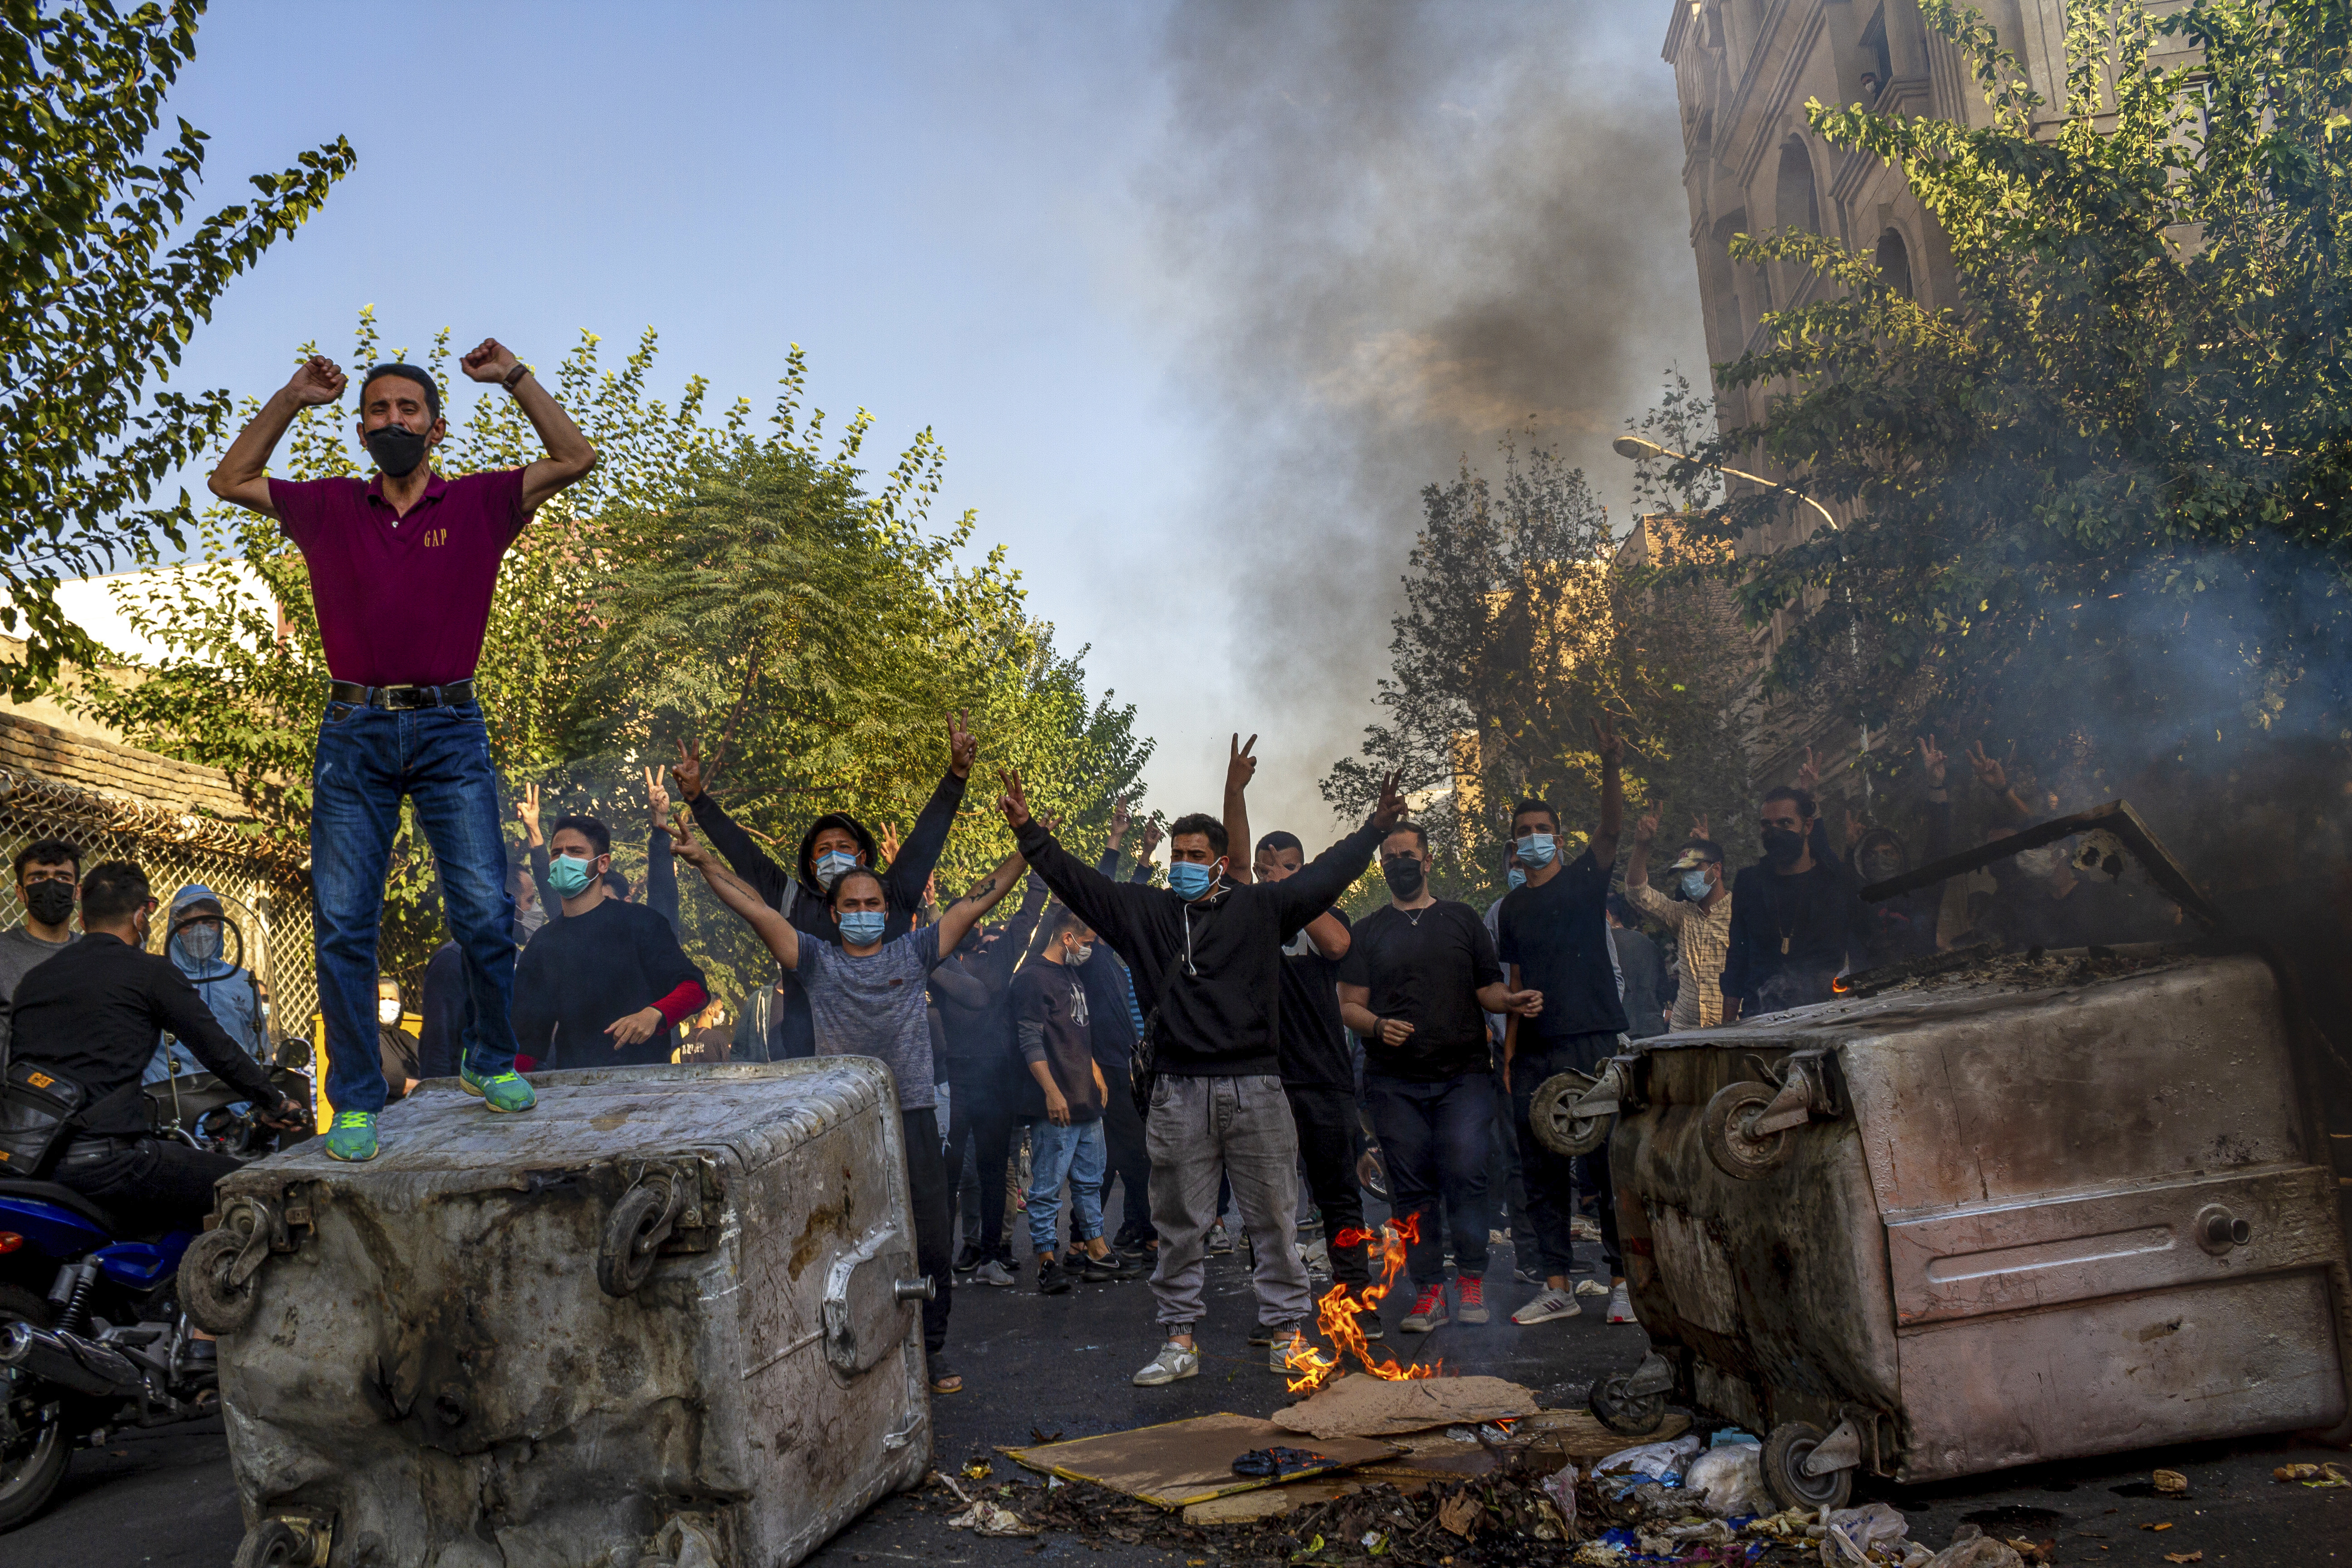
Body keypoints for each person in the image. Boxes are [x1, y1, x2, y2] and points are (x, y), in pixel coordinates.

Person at [207, 343, 598, 1160]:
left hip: (451, 728)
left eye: (407, 410)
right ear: (360, 429)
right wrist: (291, 397)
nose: (393, 420)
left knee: (484, 911)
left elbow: (575, 457)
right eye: (378, 411)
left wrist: (515, 378)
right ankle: (355, 1100)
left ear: (435, 427)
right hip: (354, 731)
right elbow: (231, 478)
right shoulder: (329, 506)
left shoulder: (481, 502)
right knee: (345, 923)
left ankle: (487, 1058)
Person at [998, 758, 1409, 1387]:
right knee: (1180, 1224)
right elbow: (1079, 882)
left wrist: (1375, 829)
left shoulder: (1261, 908)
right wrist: (1029, 833)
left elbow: (1326, 876)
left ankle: (1287, 1335)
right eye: (1178, 855)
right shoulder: (1146, 912)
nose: (1183, 864)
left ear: (1220, 864)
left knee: (1274, 1218)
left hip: (1258, 1088)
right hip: (1177, 1091)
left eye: (1196, 855)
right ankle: (1179, 1340)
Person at [671, 811, 1029, 1398]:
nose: (863, 912)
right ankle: (855, 1348)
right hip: (845, 1123)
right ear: (835, 914)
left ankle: (931, 1348)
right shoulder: (816, 961)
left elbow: (975, 902)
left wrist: (1030, 845)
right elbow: (757, 909)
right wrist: (706, 860)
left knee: (931, 1241)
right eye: (852, 905)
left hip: (913, 1117)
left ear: (887, 912)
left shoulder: (914, 954)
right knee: (847, 1241)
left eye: (873, 904)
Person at [7, 862, 304, 1231]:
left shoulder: (34, 981)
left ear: (82, 920)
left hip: (34, 1160)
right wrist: (276, 1103)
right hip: (112, 1161)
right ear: (139, 918)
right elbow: (219, 1052)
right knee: (259, 1190)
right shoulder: (150, 972)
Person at [668, 716, 977, 1061]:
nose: (834, 855)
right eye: (824, 849)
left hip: (890, 1063)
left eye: (844, 847)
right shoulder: (791, 900)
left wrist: (956, 777)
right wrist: (698, 799)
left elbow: (926, 840)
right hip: (812, 1065)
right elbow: (744, 854)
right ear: (813, 865)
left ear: (862, 857)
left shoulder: (891, 895)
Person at [1343, 820, 1544, 1335]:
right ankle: (1430, 1290)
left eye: (1407, 855)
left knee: (1467, 1171)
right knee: (1411, 1187)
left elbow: (1487, 991)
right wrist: (1378, 1026)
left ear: (1428, 861)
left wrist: (1512, 1001)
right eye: (1390, 858)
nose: (1399, 865)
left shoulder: (1462, 919)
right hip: (1394, 1082)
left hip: (1463, 1077)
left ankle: (1472, 1279)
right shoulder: (1367, 931)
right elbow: (1349, 1006)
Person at [1220, 739, 1374, 1323]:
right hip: (1263, 1082)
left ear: (1303, 872)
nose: (1271, 877)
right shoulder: (1247, 915)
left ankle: (1356, 1300)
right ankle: (1279, 1313)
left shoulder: (1324, 916)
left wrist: (1293, 893)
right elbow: (1235, 864)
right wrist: (1235, 790)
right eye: (1266, 870)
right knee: (1268, 1207)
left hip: (1324, 1080)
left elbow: (1337, 945)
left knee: (1339, 1198)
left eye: (1285, 868)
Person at [1495, 721, 1630, 1328]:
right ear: (1514, 845)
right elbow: (1516, 980)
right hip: (1535, 1052)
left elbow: (1612, 830)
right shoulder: (1511, 908)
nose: (1533, 839)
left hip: (1592, 1040)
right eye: (1523, 832)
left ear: (1558, 836)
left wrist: (1610, 765)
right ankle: (1557, 1285)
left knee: (1605, 1166)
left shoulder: (1583, 881)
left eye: (1541, 830)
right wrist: (1508, 1056)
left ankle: (1623, 1282)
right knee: (1541, 1169)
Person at [511, 816, 710, 1069]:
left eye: (576, 852)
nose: (563, 860)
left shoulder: (641, 923)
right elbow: (526, 1041)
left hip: (644, 1081)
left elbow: (695, 989)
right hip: (573, 1084)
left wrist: (655, 1014)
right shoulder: (542, 943)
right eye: (557, 853)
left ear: (603, 863)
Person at [1012, 905, 1138, 1292]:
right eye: (1087, 942)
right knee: (1048, 1189)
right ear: (1067, 938)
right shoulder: (1032, 978)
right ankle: (1046, 1261)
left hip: (1086, 1100)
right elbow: (1030, 1040)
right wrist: (1052, 1092)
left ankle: (1098, 1252)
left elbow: (1077, 1031)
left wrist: (1095, 1069)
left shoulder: (1070, 973)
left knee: (1089, 1182)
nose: (1090, 949)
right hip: (1058, 1104)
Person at [934, 872, 1047, 1285]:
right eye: (962, 919)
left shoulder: (1000, 957)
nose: (974, 924)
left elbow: (1027, 917)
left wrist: (1037, 870)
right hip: (952, 1082)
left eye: (975, 918)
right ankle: (939, 1262)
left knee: (994, 1170)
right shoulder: (938, 962)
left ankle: (991, 1259)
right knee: (947, 1175)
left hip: (996, 1081)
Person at [1720, 785, 1867, 1019]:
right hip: (1759, 1013)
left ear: (1808, 826)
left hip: (1825, 1012)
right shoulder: (1749, 882)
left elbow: (1862, 946)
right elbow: (1738, 954)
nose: (1774, 832)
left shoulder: (1835, 881)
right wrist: (1727, 1023)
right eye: (1766, 825)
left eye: (1785, 823)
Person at [147, 885, 269, 1083]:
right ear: (174, 929)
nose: (200, 932)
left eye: (209, 923)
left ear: (221, 926)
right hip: (171, 1094)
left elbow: (259, 1048)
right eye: (189, 924)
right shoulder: (156, 978)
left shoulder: (242, 981)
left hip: (233, 1093)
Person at [1622, 815, 1734, 1030]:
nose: (1687, 878)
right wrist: (1641, 846)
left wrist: (1707, 846)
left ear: (1717, 870)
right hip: (1684, 1030)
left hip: (1733, 1030)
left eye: (1693, 870)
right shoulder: (1682, 916)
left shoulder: (1742, 913)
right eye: (1684, 873)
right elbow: (1638, 893)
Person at [0, 838, 82, 1065]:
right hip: (16, 1083)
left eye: (63, 878)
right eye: (38, 878)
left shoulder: (95, 954)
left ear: (77, 891)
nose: (51, 886)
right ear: (20, 892)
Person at [1607, 894, 1668, 1039]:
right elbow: (1664, 989)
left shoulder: (1603, 945)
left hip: (1621, 1032)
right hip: (1653, 1029)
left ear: (1606, 914)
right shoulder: (1648, 943)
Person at [416, 937, 467, 1080]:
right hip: (465, 1085)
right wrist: (438, 1088)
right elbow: (438, 1039)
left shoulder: (511, 957)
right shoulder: (453, 959)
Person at [377, 978, 421, 1102]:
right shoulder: (365, 1039)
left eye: (392, 999)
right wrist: (404, 1085)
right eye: (381, 999)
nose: (387, 1004)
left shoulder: (408, 1039)